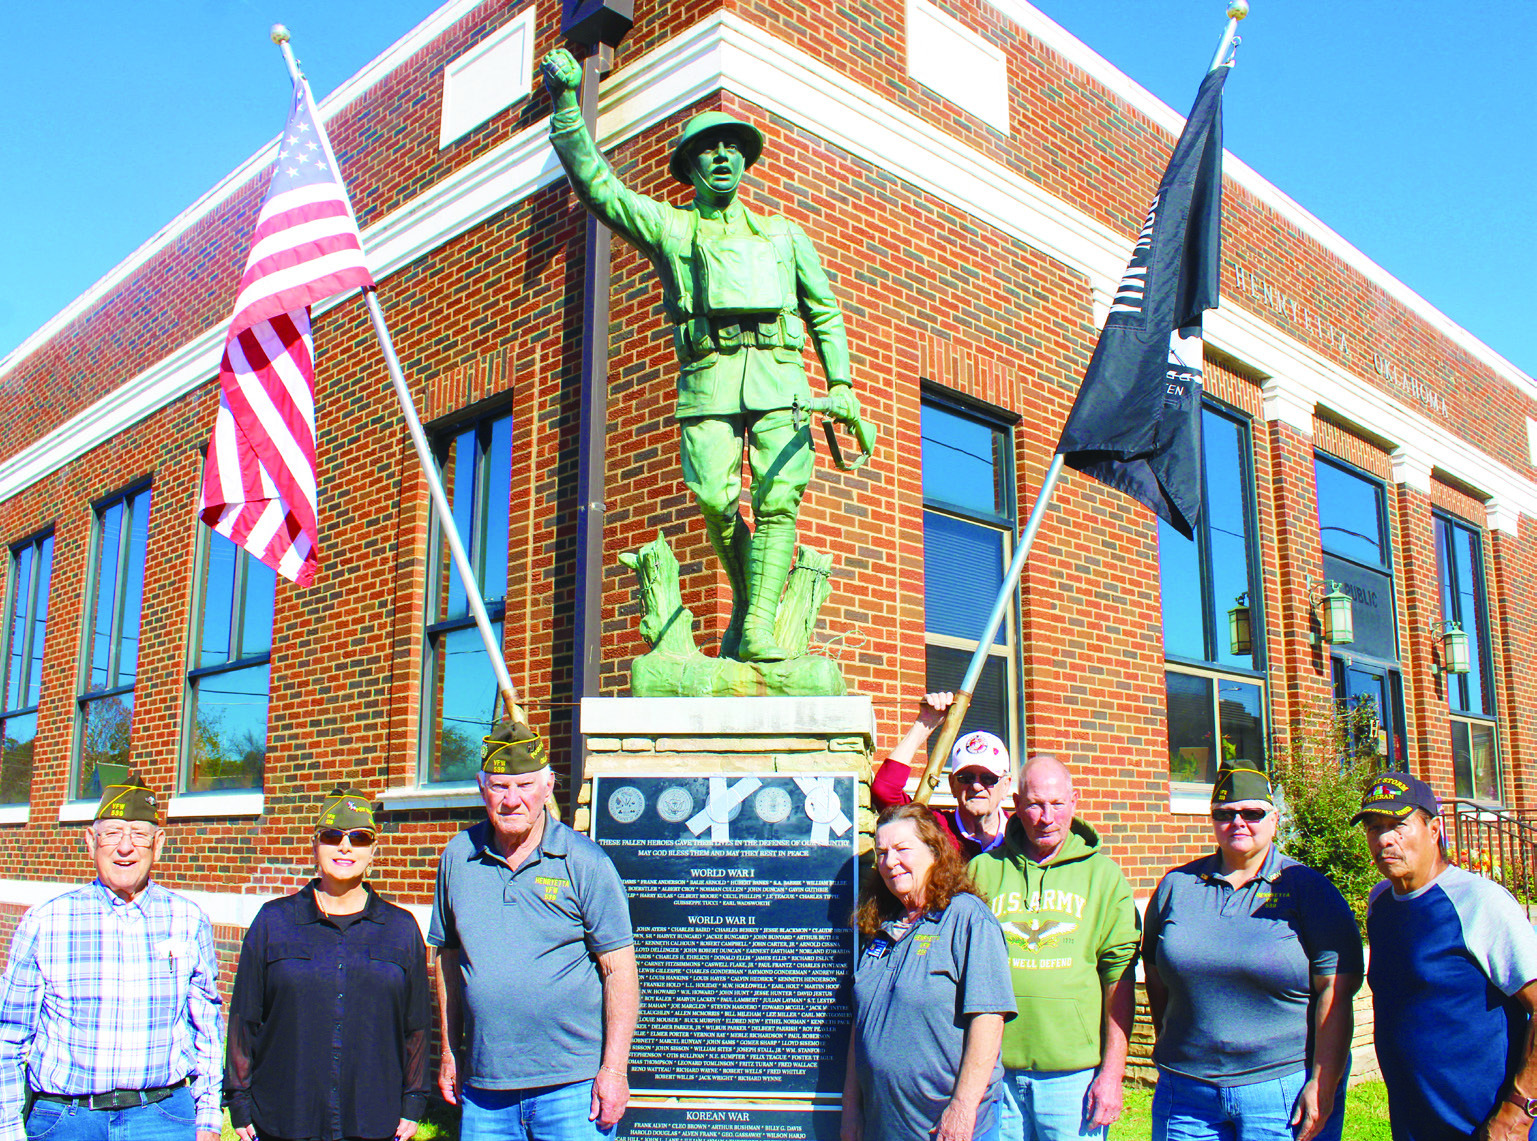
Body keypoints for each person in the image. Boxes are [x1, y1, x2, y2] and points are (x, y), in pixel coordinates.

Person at [542, 47, 869, 662]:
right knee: (716, 499)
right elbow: (598, 186)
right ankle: (754, 604)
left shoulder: (784, 235)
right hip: (708, 376)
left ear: (744, 160)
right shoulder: (671, 227)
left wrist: (843, 382)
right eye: (707, 149)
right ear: (689, 165)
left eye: (731, 148)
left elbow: (823, 309)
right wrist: (566, 104)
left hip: (781, 376)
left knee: (778, 500)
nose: (721, 157)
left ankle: (755, 627)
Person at [430, 719, 638, 1141]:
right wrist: (450, 1053)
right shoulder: (457, 857)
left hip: (573, 1090)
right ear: (481, 787)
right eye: (499, 786)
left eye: (525, 785)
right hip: (486, 1092)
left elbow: (620, 971)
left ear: (548, 787)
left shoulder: (584, 862)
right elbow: (447, 963)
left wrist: (614, 1070)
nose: (512, 800)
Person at [1142, 763, 1363, 1141]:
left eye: (1252, 813)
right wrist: (1169, 1039)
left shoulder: (1308, 889)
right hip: (1187, 1093)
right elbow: (1156, 972)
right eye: (1224, 814)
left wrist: (1323, 1082)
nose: (1238, 822)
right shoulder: (1176, 887)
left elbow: (1336, 993)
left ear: (1274, 819)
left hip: (1280, 1089)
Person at [0, 771, 223, 1141]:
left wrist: (209, 1120)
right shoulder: (45, 922)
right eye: (113, 833)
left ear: (159, 843)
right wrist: (8, 1130)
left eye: (139, 834)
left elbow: (207, 1029)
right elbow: (8, 1038)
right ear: (90, 841)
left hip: (164, 1117)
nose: (125, 847)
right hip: (65, 1119)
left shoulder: (188, 920)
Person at [225, 786, 430, 1141]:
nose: (345, 846)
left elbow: (416, 1027)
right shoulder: (273, 922)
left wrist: (413, 1101)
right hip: (285, 1117)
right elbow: (245, 1019)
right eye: (332, 836)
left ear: (373, 852)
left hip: (371, 1118)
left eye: (360, 838)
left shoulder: (400, 928)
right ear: (315, 845)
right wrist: (239, 1101)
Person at [1354, 772, 1537, 1141]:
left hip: (1486, 1125)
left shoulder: (1479, 902)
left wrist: (1517, 1112)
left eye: (1398, 825)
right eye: (1374, 828)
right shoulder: (1380, 904)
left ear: (1433, 829)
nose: (1385, 839)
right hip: (1414, 1122)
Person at [968, 753, 1140, 1141]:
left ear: (1074, 802)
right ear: (1016, 805)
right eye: (1034, 805)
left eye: (1057, 804)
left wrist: (1113, 1074)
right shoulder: (983, 871)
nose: (1046, 817)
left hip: (1072, 1080)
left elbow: (1119, 978)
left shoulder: (1104, 877)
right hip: (994, 1074)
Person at [843, 803, 1016, 1141]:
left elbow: (989, 1018)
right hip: (885, 1126)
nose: (890, 862)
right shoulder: (880, 928)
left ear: (935, 851)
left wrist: (963, 1108)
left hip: (945, 1128)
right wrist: (851, 1109)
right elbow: (860, 1025)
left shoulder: (967, 918)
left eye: (902, 849)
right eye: (881, 853)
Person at [872, 692, 1012, 857]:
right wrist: (925, 723)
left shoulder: (1022, 834)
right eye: (966, 777)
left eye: (988, 778)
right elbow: (884, 790)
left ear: (1006, 786)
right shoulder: (934, 829)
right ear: (952, 784)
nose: (976, 785)